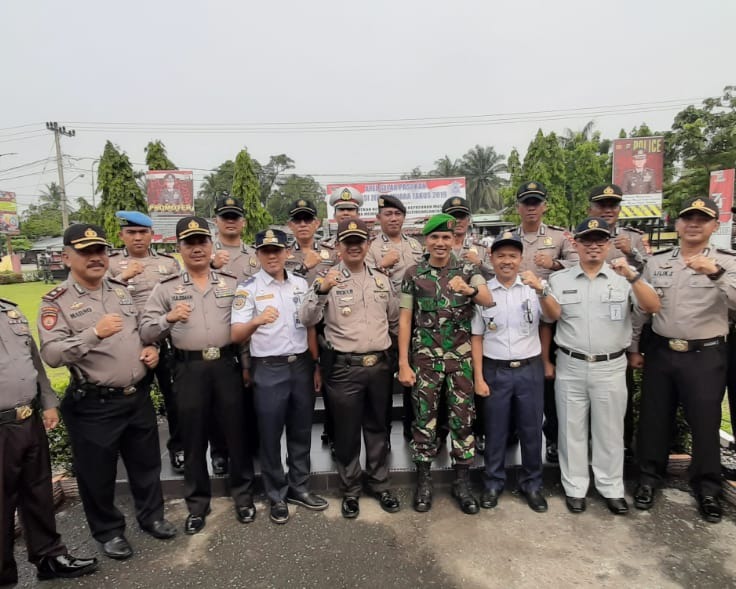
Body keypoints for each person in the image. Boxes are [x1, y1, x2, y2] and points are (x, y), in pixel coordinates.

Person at [38, 223, 176, 561]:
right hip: (95, 404)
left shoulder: (120, 290)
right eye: (86, 252)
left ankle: (151, 516)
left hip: (137, 395)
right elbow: (52, 355)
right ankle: (109, 532)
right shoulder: (56, 302)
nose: (96, 258)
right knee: (97, 474)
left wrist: (152, 350)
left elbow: (142, 332)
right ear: (67, 257)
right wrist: (93, 335)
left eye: (99, 251)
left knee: (145, 465)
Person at [140, 216, 255, 534]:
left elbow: (243, 331)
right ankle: (197, 504)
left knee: (236, 433)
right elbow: (146, 329)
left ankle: (243, 496)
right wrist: (168, 317)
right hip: (188, 369)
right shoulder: (166, 289)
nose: (196, 248)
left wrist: (246, 366)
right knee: (193, 438)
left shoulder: (231, 283)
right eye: (189, 243)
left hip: (226, 366)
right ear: (179, 248)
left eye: (201, 241)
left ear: (210, 244)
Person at [630, 197, 736, 523]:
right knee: (653, 419)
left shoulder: (727, 262)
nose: (693, 224)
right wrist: (634, 347)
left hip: (705, 354)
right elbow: (641, 309)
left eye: (702, 219)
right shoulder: (657, 262)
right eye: (687, 218)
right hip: (662, 351)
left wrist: (715, 272)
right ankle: (648, 479)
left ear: (714, 226)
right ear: (677, 225)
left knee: (705, 424)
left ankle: (707, 487)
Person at [545, 217, 660, 515]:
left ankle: (610, 487)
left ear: (608, 245)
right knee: (571, 429)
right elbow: (550, 317)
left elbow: (652, 307)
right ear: (576, 244)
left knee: (609, 430)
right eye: (587, 241)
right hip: (571, 362)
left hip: (610, 365)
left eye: (599, 241)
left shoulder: (623, 277)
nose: (593, 246)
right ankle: (575, 487)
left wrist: (634, 277)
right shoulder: (560, 280)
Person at [300, 219, 401, 519]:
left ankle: (380, 484)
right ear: (339, 247)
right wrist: (321, 290)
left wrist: (393, 357)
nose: (354, 246)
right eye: (348, 242)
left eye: (360, 241)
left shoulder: (382, 281)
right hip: (344, 368)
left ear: (368, 245)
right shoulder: (326, 279)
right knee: (345, 433)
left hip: (378, 366)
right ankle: (351, 490)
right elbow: (305, 318)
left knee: (377, 429)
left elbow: (394, 320)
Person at [231, 229, 328, 524]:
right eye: (265, 251)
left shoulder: (300, 284)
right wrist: (258, 320)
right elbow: (235, 334)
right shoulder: (247, 288)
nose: (272, 256)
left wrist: (315, 364)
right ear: (258, 255)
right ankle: (276, 494)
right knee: (271, 435)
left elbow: (310, 327)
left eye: (277, 250)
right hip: (268, 368)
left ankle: (299, 486)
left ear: (287, 253)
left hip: (300, 365)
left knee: (300, 430)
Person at [398, 213, 492, 515]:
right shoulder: (413, 274)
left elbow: (488, 300)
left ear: (454, 240)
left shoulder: (468, 269)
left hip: (460, 364)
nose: (440, 243)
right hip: (425, 363)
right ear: (427, 240)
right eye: (435, 237)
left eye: (446, 238)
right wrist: (403, 362)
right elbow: (405, 320)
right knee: (424, 421)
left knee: (463, 422)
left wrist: (470, 291)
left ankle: (461, 482)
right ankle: (423, 481)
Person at [1, 297, 98, 584]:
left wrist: (47, 400)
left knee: (38, 492)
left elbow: (32, 361)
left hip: (27, 418)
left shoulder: (10, 311)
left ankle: (49, 557)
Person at [471, 232, 559, 512]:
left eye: (512, 256)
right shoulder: (484, 293)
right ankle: (493, 483)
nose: (506, 261)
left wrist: (541, 291)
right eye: (501, 256)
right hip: (495, 369)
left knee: (531, 429)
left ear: (521, 259)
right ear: (491, 259)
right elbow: (476, 337)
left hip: (528, 369)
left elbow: (553, 317)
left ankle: (532, 484)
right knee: (495, 431)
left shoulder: (534, 287)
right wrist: (478, 377)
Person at [108, 211, 183, 473]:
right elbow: (102, 298)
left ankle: (178, 448)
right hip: (129, 345)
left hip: (163, 342)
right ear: (122, 235)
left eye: (142, 232)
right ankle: (129, 453)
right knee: (133, 401)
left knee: (174, 398)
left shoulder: (168, 263)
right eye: (131, 233)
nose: (137, 238)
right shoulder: (111, 265)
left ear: (152, 234)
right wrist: (124, 277)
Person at [514, 180, 578, 464]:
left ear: (544, 206)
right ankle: (509, 433)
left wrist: (554, 265)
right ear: (518, 207)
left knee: (551, 381)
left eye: (536, 202)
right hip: (515, 319)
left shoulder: (560, 238)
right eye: (526, 203)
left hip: (551, 317)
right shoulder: (507, 237)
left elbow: (581, 263)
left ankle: (551, 437)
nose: (531, 208)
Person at [587, 184, 652, 457]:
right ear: (591, 208)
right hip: (584, 324)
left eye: (613, 204)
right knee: (577, 401)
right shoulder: (579, 236)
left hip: (620, 332)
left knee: (617, 399)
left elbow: (650, 283)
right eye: (602, 204)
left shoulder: (633, 239)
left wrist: (631, 254)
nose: (608, 210)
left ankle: (621, 447)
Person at [366, 194, 424, 441]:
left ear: (403, 217)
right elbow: (363, 282)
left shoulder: (415, 246)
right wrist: (382, 266)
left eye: (397, 214)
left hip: (412, 324)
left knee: (414, 379)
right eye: (387, 214)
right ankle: (383, 436)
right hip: (381, 325)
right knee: (382, 387)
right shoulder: (370, 248)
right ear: (378, 218)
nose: (393, 218)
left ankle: (414, 431)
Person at [209, 193, 260, 475]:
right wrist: (211, 265)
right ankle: (219, 452)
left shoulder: (254, 255)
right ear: (216, 221)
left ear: (243, 221)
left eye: (235, 217)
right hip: (217, 333)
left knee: (250, 392)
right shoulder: (204, 251)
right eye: (225, 217)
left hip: (251, 333)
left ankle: (251, 444)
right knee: (218, 399)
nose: (231, 221)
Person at [285, 199, 337, 284]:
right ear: (290, 225)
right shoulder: (282, 254)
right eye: (297, 220)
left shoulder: (332, 252)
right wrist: (303, 267)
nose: (303, 224)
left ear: (317, 223)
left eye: (308, 219)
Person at [441, 196, 493, 279]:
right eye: (453, 217)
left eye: (461, 216)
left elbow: (495, 276)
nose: (458, 221)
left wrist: (480, 264)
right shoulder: (438, 247)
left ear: (468, 220)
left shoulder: (481, 249)